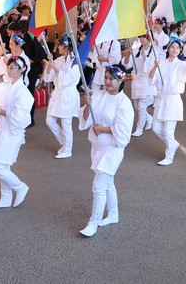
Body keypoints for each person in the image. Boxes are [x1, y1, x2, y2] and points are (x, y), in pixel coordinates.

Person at [78, 65, 134, 237]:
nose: (108, 82)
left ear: (121, 80)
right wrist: (87, 105)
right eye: (107, 78)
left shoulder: (124, 103)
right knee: (108, 183)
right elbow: (86, 118)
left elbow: (123, 131)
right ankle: (113, 214)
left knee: (98, 187)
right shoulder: (99, 95)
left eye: (112, 79)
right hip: (97, 146)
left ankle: (93, 223)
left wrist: (103, 129)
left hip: (112, 149)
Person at [0, 57, 32, 209]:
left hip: (11, 132)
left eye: (13, 67)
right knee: (3, 167)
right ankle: (5, 199)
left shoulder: (23, 91)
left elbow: (21, 117)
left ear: (21, 69)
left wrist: (4, 112)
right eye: (9, 67)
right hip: (0, 129)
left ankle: (20, 186)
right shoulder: (5, 85)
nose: (10, 70)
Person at [148, 37, 186, 166]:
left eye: (178, 48)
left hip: (173, 100)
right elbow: (151, 78)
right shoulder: (161, 62)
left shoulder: (181, 64)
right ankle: (172, 144)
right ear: (168, 48)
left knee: (168, 131)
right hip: (161, 100)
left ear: (180, 50)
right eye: (172, 47)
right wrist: (155, 67)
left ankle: (169, 156)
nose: (175, 50)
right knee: (156, 128)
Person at [43, 34, 81, 158]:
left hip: (68, 94)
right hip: (57, 92)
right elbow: (48, 77)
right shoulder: (59, 60)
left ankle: (68, 149)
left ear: (66, 47)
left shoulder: (75, 61)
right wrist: (50, 63)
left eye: (60, 45)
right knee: (49, 121)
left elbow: (69, 78)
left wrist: (55, 68)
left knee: (66, 123)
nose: (58, 47)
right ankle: (64, 143)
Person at [124, 35, 156, 136]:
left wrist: (144, 56)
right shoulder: (135, 50)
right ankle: (149, 118)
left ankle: (139, 128)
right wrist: (128, 54)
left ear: (149, 38)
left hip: (146, 81)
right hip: (136, 80)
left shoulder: (153, 51)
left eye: (144, 37)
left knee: (142, 106)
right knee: (136, 106)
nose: (142, 39)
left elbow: (151, 67)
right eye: (140, 37)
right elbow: (127, 65)